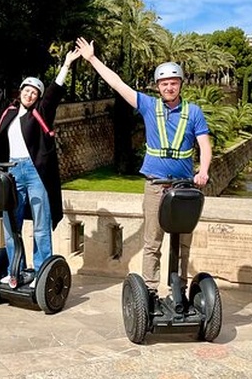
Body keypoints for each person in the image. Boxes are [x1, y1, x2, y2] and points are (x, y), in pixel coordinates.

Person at [75, 37, 212, 292]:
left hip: (185, 187)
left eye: (173, 83)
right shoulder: (148, 105)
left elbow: (204, 145)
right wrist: (92, 59)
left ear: (180, 84)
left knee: (183, 243)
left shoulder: (193, 112)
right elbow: (117, 83)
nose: (169, 87)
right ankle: (149, 290)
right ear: (158, 87)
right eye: (164, 83)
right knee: (153, 242)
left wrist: (203, 171)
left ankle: (179, 289)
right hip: (156, 185)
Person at [0, 42, 80, 285]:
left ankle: (41, 272)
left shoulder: (42, 112)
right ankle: (14, 270)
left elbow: (55, 90)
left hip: (36, 173)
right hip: (11, 172)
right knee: (10, 223)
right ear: (20, 91)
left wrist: (67, 64)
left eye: (34, 92)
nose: (30, 94)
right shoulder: (7, 111)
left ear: (37, 97)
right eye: (26, 90)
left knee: (40, 224)